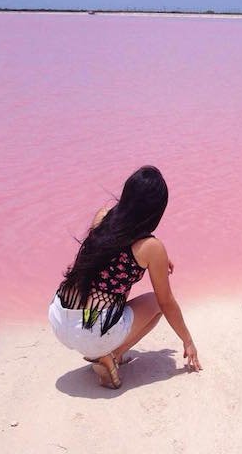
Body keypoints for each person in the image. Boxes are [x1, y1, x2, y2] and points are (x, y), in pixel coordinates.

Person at [48, 165, 202, 389]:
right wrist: (188, 341)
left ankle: (104, 352)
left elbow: (116, 251)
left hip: (60, 316)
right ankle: (110, 355)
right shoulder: (151, 248)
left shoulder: (103, 217)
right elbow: (166, 302)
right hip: (92, 333)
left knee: (102, 293)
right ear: (156, 211)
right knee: (155, 304)